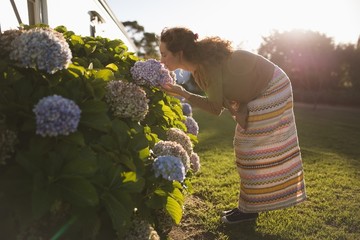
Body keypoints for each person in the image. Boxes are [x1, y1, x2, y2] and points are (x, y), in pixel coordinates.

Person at [159, 27, 307, 224]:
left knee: (249, 149)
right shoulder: (201, 67)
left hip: (273, 88)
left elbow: (214, 107)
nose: (162, 60)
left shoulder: (206, 66)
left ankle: (249, 210)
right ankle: (249, 208)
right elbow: (220, 102)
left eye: (164, 54)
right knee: (246, 148)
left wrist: (183, 93)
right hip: (260, 91)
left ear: (179, 53)